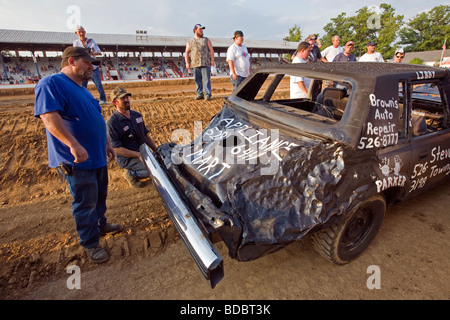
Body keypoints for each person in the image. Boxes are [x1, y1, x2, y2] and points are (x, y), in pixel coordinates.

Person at [34, 46, 122, 264]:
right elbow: (49, 117)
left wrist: (107, 143)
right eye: (88, 62)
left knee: (100, 196)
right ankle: (90, 242)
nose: (92, 67)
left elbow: (97, 120)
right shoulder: (51, 83)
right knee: (86, 201)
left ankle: (100, 225)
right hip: (76, 160)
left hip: (96, 156)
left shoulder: (82, 89)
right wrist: (73, 144)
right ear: (72, 61)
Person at [106, 87, 158, 188]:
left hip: (142, 152)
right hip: (128, 158)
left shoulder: (137, 116)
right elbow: (116, 148)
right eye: (122, 98)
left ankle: (142, 166)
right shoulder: (112, 123)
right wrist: (138, 155)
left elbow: (145, 135)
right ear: (114, 102)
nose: (126, 100)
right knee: (154, 170)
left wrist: (156, 150)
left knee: (161, 164)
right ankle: (131, 174)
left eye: (127, 97)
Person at [73, 25, 107, 104]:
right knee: (82, 86)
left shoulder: (91, 41)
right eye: (79, 32)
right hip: (83, 67)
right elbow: (75, 54)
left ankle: (103, 99)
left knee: (98, 84)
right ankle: (84, 100)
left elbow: (99, 52)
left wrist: (92, 52)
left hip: (93, 67)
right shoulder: (75, 43)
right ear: (76, 33)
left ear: (85, 32)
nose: (81, 33)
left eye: (82, 31)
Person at [185, 24, 215, 100]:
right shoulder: (190, 41)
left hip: (205, 62)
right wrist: (187, 63)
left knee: (206, 80)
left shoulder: (206, 40)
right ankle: (199, 94)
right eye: (200, 29)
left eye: (202, 29)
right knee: (197, 80)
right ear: (195, 30)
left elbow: (211, 50)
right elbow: (186, 52)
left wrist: (212, 60)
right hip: (195, 63)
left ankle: (208, 94)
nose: (201, 31)